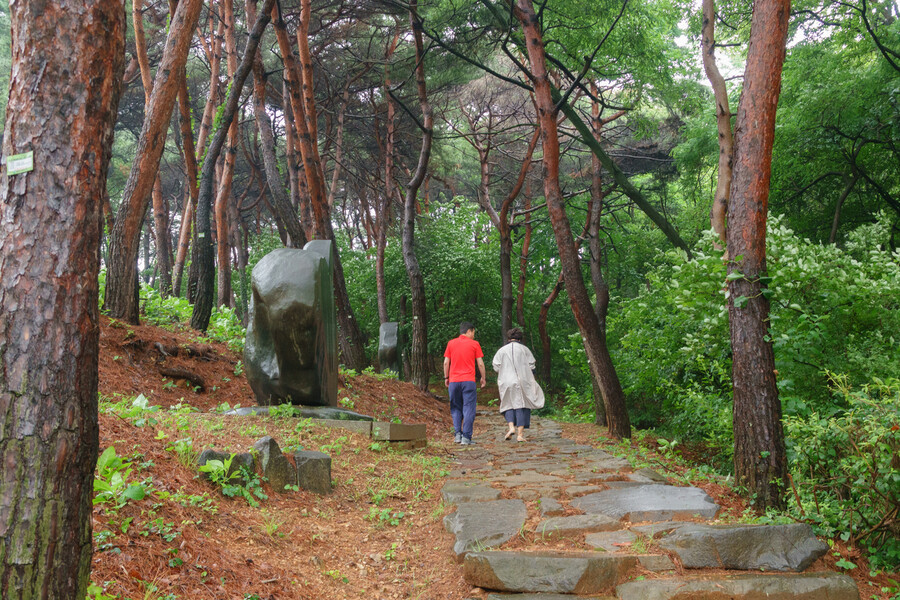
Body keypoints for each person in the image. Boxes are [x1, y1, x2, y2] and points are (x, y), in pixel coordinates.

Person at [492, 327, 544, 442]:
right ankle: (520, 435)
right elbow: (532, 366)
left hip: (506, 381)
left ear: (509, 338)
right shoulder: (524, 350)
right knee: (522, 404)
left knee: (508, 403)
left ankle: (511, 428)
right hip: (522, 381)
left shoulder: (502, 350)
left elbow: (496, 366)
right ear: (520, 338)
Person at [443, 321, 487, 445]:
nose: (474, 335)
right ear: (469, 331)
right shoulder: (474, 344)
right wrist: (483, 378)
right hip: (468, 381)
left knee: (455, 407)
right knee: (468, 408)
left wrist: (446, 377)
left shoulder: (451, 343)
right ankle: (466, 437)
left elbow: (446, 362)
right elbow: (480, 363)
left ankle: (458, 435)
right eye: (473, 332)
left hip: (454, 381)